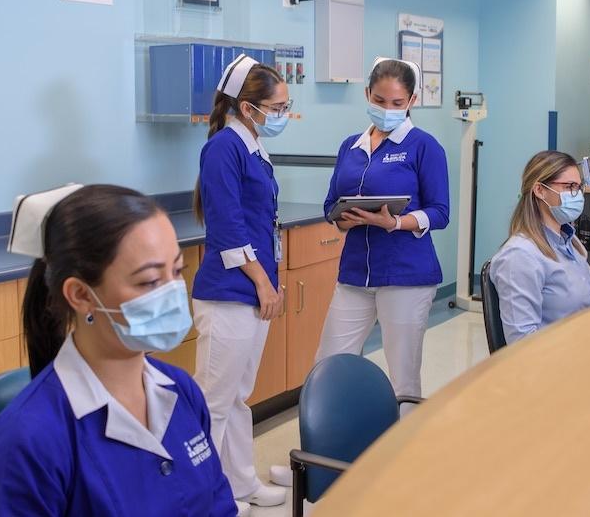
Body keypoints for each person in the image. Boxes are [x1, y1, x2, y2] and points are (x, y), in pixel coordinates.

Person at [0, 184, 236, 516]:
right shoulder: (26, 441)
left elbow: (218, 505)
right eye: (149, 281)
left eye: (177, 271)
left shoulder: (182, 391)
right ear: (81, 295)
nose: (172, 293)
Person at [315, 57, 449, 406]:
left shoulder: (424, 146)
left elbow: (440, 212)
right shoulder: (351, 146)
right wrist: (345, 219)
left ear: (411, 101)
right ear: (367, 94)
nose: (387, 109)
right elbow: (330, 204)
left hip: (406, 275)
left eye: (397, 103)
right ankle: (327, 442)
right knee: (328, 366)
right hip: (355, 274)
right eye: (379, 100)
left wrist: (395, 223)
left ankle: (404, 441)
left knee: (403, 378)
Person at [191, 55, 291, 512]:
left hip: (253, 291)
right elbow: (228, 229)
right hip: (227, 295)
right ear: (248, 107)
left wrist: (271, 281)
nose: (283, 114)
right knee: (212, 403)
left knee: (237, 397)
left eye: (286, 106)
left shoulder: (252, 147)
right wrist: (263, 283)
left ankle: (241, 483)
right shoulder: (223, 148)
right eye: (278, 107)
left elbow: (262, 222)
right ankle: (205, 498)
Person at [489, 151, 590, 344]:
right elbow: (522, 342)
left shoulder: (567, 241)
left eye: (579, 187)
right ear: (539, 190)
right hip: (556, 358)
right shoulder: (519, 256)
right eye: (569, 187)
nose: (578, 195)